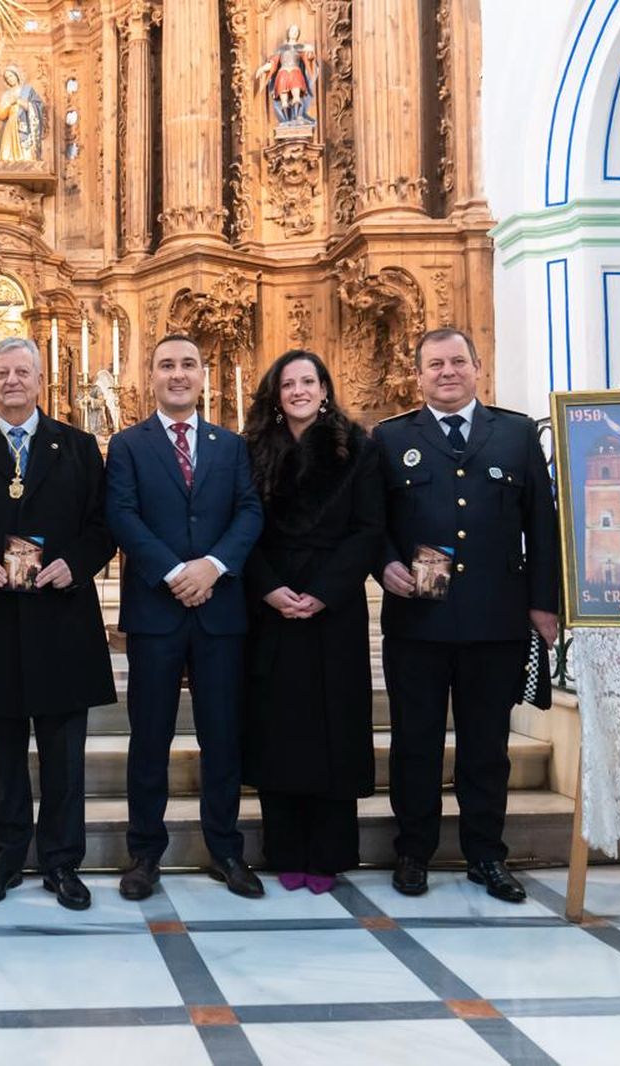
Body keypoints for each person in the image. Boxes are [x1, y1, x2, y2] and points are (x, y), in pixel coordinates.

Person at [0, 337, 115, 909]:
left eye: (22, 372)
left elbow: (106, 525)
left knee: (65, 755)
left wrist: (74, 563)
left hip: (62, 621)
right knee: (3, 755)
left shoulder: (79, 447)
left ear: (41, 380)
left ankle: (62, 862)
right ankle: (5, 859)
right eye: (2, 372)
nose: (12, 381)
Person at [374, 327, 559, 902]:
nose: (446, 372)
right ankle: (413, 852)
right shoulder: (389, 438)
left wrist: (544, 604)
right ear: (419, 374)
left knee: (486, 746)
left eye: (457, 361)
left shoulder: (517, 434)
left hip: (494, 620)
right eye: (434, 364)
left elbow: (543, 526)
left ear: (478, 366)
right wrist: (383, 566)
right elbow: (370, 522)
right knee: (416, 742)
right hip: (418, 623)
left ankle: (487, 854)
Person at [105, 334, 265, 900]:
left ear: (204, 376)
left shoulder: (232, 445)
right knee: (150, 736)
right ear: (151, 377)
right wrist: (175, 572)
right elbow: (121, 515)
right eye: (167, 365)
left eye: (188, 364)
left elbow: (249, 511)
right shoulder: (127, 445)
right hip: (156, 610)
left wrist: (214, 566)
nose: (178, 374)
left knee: (223, 736)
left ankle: (226, 849)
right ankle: (144, 853)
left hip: (219, 610)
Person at [241, 350, 383, 893]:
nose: (298, 390)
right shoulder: (252, 449)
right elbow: (242, 525)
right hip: (271, 606)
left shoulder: (358, 447)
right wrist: (270, 587)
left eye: (308, 381)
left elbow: (369, 528)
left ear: (325, 388)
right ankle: (284, 849)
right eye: (287, 383)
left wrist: (323, 592)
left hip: (333, 609)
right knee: (280, 731)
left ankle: (329, 852)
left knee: (333, 728)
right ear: (275, 395)